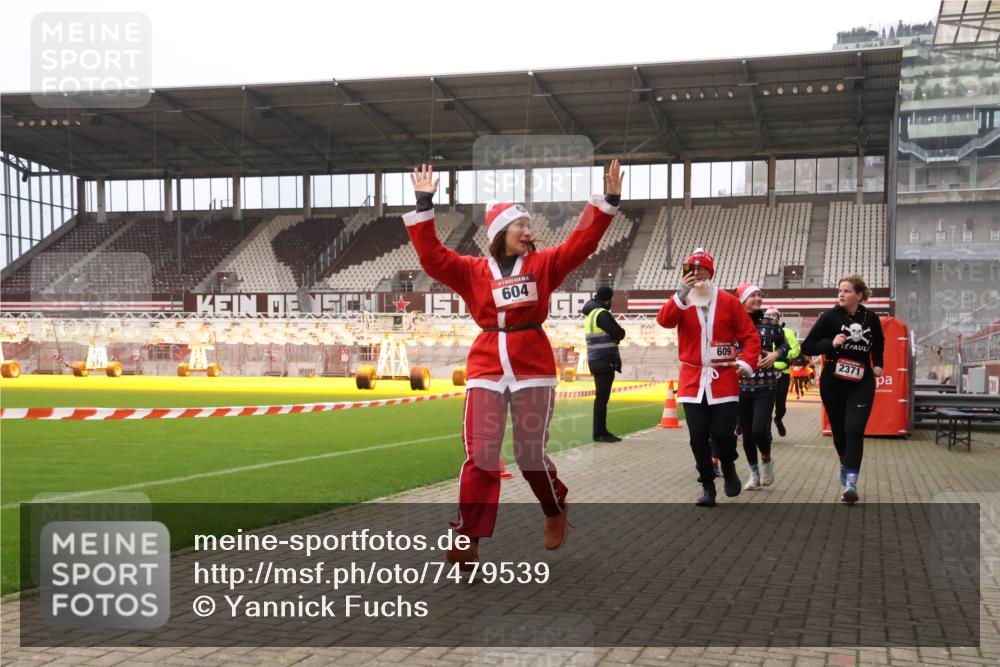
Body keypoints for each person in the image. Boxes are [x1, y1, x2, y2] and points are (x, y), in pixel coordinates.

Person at [403, 161, 625, 564]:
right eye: (519, 225)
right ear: (498, 234)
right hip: (486, 364)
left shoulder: (543, 265)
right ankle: (467, 536)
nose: (528, 231)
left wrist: (608, 200)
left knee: (528, 455)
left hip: (532, 365)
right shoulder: (472, 270)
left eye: (528, 224)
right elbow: (433, 258)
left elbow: (580, 244)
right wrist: (423, 203)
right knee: (481, 454)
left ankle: (555, 507)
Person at [656, 249, 761, 507]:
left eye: (702, 269)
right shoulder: (682, 300)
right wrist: (680, 294)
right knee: (698, 435)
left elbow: (750, 336)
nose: (697, 274)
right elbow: (664, 321)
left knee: (723, 433)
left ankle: (728, 464)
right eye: (692, 269)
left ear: (711, 272)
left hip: (724, 377)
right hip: (692, 378)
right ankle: (707, 486)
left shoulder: (728, 302)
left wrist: (747, 363)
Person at [800, 274, 885, 504]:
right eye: (839, 290)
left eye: (846, 291)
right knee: (839, 430)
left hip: (861, 380)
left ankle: (851, 482)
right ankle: (843, 460)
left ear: (859, 295)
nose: (841, 294)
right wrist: (831, 344)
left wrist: (877, 364)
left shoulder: (871, 318)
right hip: (833, 381)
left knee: (855, 429)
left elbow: (878, 343)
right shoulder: (829, 317)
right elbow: (807, 346)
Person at [733, 285, 789, 490]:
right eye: (752, 295)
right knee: (746, 434)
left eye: (759, 295)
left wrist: (775, 355)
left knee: (758, 430)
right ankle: (753, 474)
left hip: (766, 385)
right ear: (742, 299)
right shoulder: (733, 324)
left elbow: (785, 346)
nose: (758, 298)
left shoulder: (770, 322)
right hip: (740, 386)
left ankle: (766, 460)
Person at [581, 285, 626, 442]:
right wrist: (617, 337)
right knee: (602, 398)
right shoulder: (602, 314)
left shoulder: (591, 315)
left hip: (596, 359)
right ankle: (600, 432)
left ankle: (599, 431)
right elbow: (619, 333)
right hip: (604, 360)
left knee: (601, 397)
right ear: (608, 299)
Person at [768, 307, 800, 437]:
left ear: (778, 317)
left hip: (783, 373)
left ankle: (778, 419)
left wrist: (783, 355)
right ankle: (767, 432)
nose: (771, 317)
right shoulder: (761, 331)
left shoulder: (787, 331)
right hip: (766, 373)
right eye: (768, 315)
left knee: (780, 405)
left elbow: (796, 350)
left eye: (774, 315)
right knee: (767, 405)